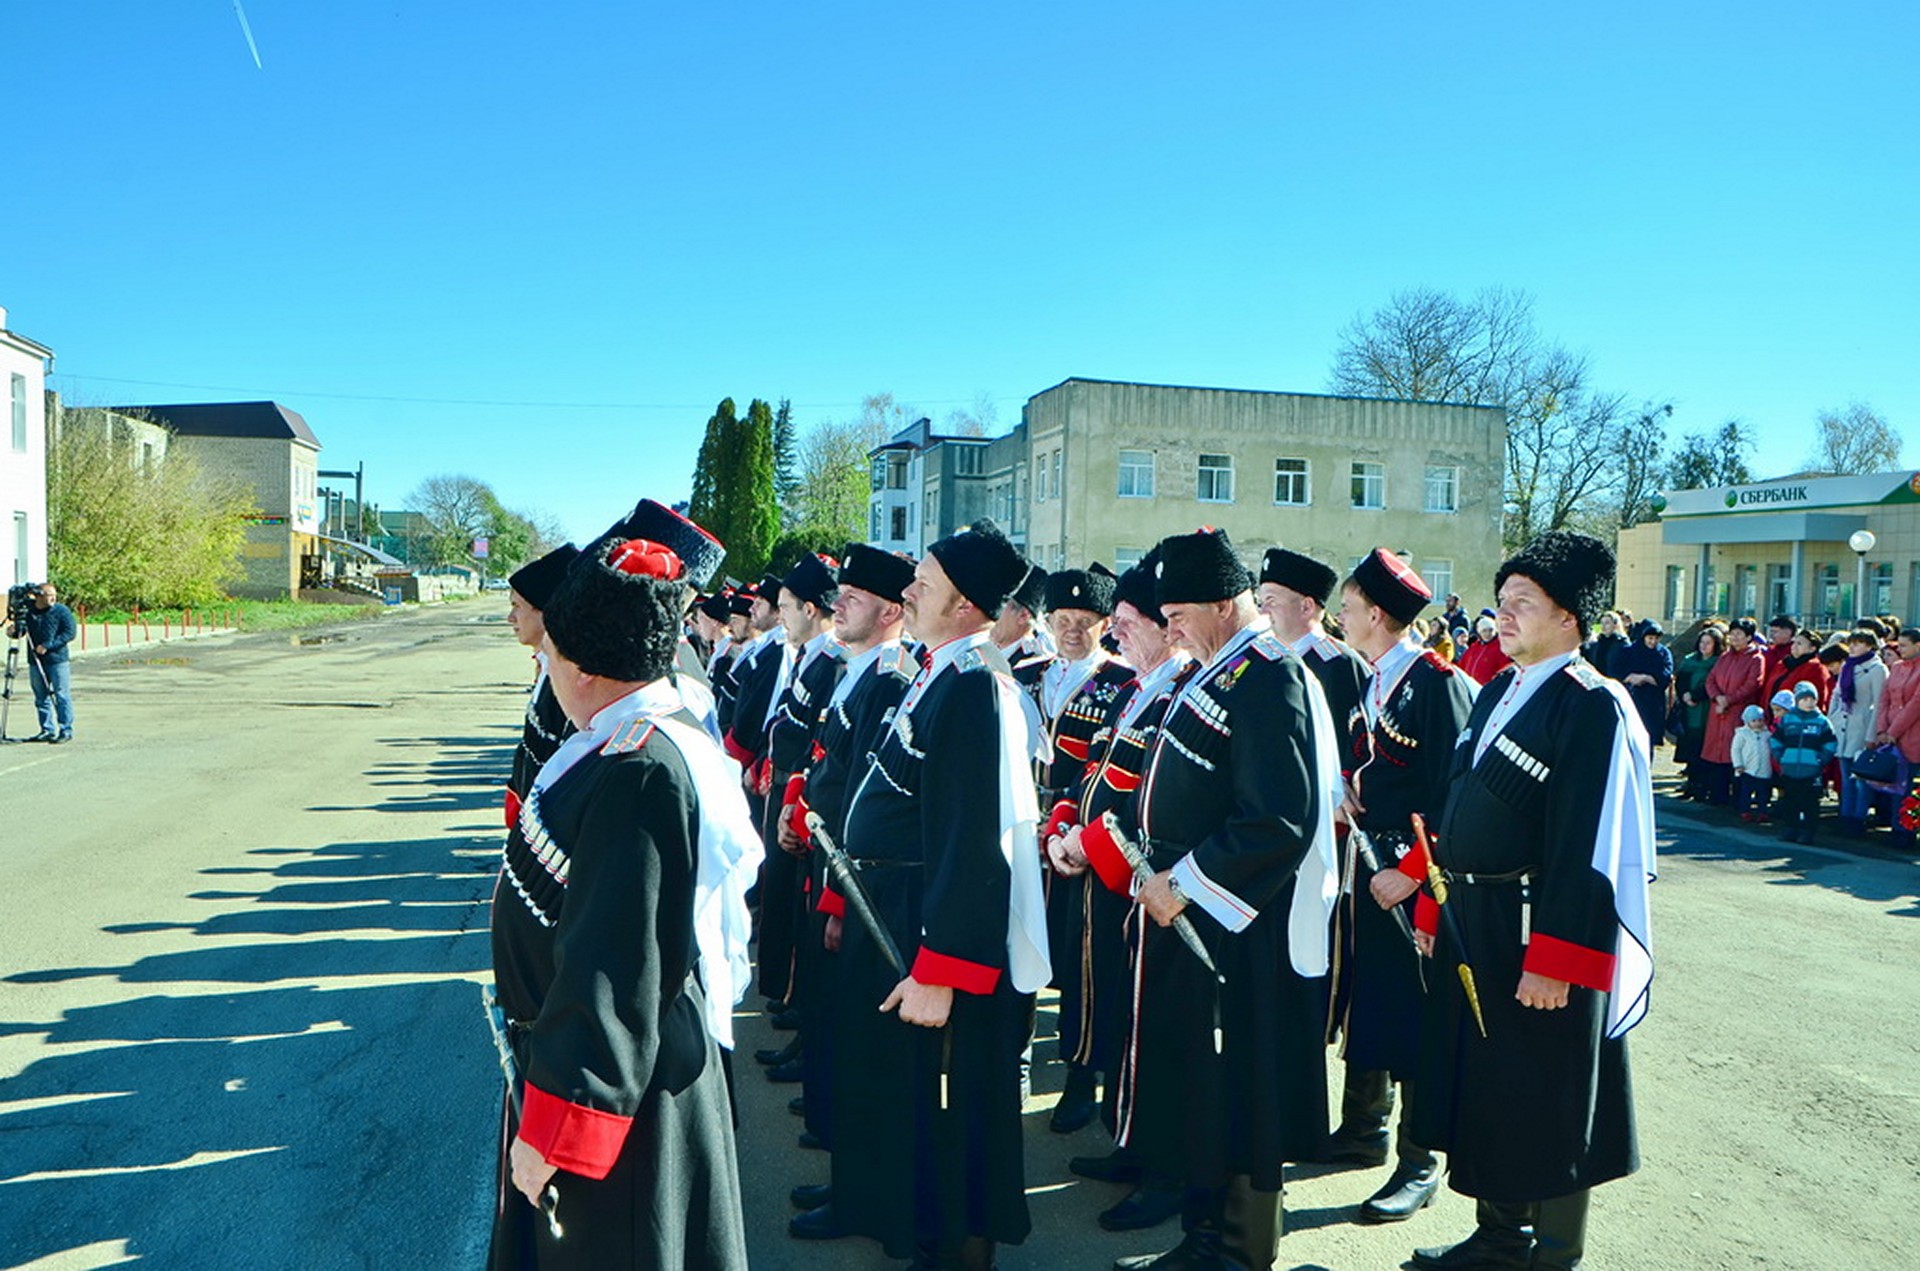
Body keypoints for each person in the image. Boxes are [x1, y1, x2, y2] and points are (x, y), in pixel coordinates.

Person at [1078, 527, 1342, 1271]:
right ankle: (1200, 1230)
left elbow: (1277, 819)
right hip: (1184, 909)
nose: (1169, 629)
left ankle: (1234, 1245)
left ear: (1226, 603)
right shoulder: (1215, 667)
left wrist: (1184, 882)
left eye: (1180, 612)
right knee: (1196, 1080)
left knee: (1233, 1083)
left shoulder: (1267, 675)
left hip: (1231, 923)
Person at [488, 534, 755, 1270]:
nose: (544, 666)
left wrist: (556, 1127)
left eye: (552, 655)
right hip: (578, 1063)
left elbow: (613, 964)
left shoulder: (638, 766)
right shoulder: (617, 740)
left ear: (585, 665)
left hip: (617, 1101)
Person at [1409, 531, 1653, 1271]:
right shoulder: (1499, 690)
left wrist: (1559, 960)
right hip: (1475, 919)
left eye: (1523, 603)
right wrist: (1432, 904)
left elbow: (1590, 846)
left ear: (1570, 618)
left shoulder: (1591, 706)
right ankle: (1499, 1232)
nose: (1502, 615)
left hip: (1535, 931)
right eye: (1502, 600)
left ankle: (1551, 1251)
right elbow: (1452, 808)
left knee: (1546, 1095)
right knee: (1492, 1084)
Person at [830, 520, 1050, 1271]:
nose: (910, 588)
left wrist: (942, 968)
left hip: (937, 920)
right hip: (900, 902)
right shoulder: (942, 669)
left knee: (957, 1111)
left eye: (925, 580)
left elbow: (971, 838)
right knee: (917, 1104)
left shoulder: (974, 686)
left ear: (966, 605)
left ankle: (958, 1253)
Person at [1049, 550, 1197, 1235]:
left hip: (1151, 885)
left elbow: (1155, 799)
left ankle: (1165, 1170)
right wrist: (1064, 829)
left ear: (1168, 629)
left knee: (1160, 1035)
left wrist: (1088, 844)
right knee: (1123, 1020)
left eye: (1128, 623)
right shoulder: (1139, 685)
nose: (1115, 635)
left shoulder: (1179, 689)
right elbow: (1090, 775)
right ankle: (1133, 1144)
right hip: (1110, 874)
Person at [1328, 548, 1475, 1225]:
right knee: (1374, 998)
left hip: (1414, 878)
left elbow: (1457, 793)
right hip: (1371, 863)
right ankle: (1364, 1129)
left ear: (1378, 613)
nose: (1341, 617)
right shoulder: (1380, 676)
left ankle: (1418, 1164)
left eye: (1350, 607)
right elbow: (1383, 770)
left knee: (1414, 1018)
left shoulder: (1435, 681)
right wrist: (1352, 793)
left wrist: (1413, 871)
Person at [783, 543, 919, 1239]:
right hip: (830, 866)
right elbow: (830, 766)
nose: (840, 602)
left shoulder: (890, 679)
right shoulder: (854, 671)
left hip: (860, 885)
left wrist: (838, 901)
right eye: (842, 592)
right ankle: (850, 1182)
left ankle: (867, 1198)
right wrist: (798, 799)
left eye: (856, 596)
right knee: (839, 1037)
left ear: (892, 609)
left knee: (864, 1050)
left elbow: (874, 802)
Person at [1021, 562, 1134, 1134]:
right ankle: (1015, 1058)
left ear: (1105, 623)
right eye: (1061, 618)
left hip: (1073, 843)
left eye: (1083, 620)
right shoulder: (1025, 672)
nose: (1070, 630)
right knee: (1017, 948)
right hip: (1021, 834)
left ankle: (1079, 1077)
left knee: (1079, 965)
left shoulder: (1121, 683)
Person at [757, 553, 845, 1030]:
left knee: (803, 915)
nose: (780, 615)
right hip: (786, 797)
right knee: (787, 906)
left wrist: (795, 804)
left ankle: (801, 1008)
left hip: (805, 806)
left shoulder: (832, 663)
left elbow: (819, 750)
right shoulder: (809, 659)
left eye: (787, 606)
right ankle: (793, 1002)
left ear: (811, 609)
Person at [1255, 548, 1369, 773]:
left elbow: (1343, 747)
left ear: (1306, 607)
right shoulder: (1266, 659)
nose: (1263, 612)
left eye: (1271, 601)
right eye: (1260, 603)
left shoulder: (1338, 665)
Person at [504, 546, 582, 819]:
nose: (510, 618)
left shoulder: (569, 680)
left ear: (545, 612)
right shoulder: (547, 667)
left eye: (517, 607)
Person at [1698, 617, 1766, 805]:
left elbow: (1752, 684)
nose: (1734, 638)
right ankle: (1716, 795)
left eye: (1739, 634)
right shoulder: (1725, 656)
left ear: (1749, 637)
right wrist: (1717, 697)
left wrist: (1728, 700)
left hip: (1738, 711)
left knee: (1735, 752)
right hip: (1717, 711)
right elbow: (1711, 679)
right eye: (1732, 633)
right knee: (1715, 753)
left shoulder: (1756, 658)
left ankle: (1737, 798)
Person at [1830, 629, 1889, 836]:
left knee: (1862, 778)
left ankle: (1858, 817)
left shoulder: (1877, 669)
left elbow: (1879, 703)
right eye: (1851, 643)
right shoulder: (1848, 665)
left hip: (1863, 726)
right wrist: (1833, 716)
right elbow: (1836, 694)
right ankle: (1845, 816)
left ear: (1870, 646)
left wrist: (1872, 734)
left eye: (1858, 643)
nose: (1852, 647)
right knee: (1846, 777)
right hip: (1844, 724)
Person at [1870, 627, 1920, 850]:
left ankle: (1907, 833)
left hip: (1913, 736)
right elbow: (1884, 700)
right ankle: (1896, 829)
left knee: (1910, 787)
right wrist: (1882, 730)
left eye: (1903, 646)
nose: (1899, 649)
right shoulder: (1897, 668)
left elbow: (1915, 705)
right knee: (1895, 787)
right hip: (1891, 737)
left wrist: (1893, 731)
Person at [1772, 683, 1837, 844]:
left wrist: (1821, 759)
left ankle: (1808, 831)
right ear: (1797, 700)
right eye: (1805, 699)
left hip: (1812, 770)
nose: (1809, 702)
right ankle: (1790, 828)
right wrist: (1780, 756)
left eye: (1812, 699)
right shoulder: (1787, 720)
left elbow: (1830, 742)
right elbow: (1776, 739)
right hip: (1790, 768)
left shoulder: (1821, 721)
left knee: (1810, 804)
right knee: (1790, 801)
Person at [12, 582, 77, 743]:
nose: (53, 598)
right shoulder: (29, 611)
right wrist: (14, 632)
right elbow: (22, 631)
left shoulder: (61, 611)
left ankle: (65, 729)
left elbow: (70, 633)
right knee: (41, 696)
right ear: (39, 596)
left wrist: (48, 646)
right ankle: (46, 729)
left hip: (57, 660)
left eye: (54, 595)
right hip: (35, 661)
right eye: (49, 595)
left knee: (61, 695)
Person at [1673, 627, 1724, 799]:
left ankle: (1703, 786)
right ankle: (1691, 784)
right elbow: (1681, 682)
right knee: (1691, 747)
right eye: (1702, 642)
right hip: (1689, 710)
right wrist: (1685, 696)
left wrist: (1696, 695)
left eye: (1708, 643)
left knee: (1703, 747)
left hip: (1706, 709)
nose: (1704, 646)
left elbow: (1713, 684)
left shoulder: (1718, 663)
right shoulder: (1690, 661)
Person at [1612, 620, 1674, 748]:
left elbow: (1665, 675)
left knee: (1649, 737)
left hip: (1653, 701)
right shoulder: (1629, 651)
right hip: (1632, 697)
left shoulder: (1663, 653)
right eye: (1650, 638)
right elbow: (1615, 671)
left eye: (1656, 638)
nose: (1653, 642)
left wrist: (1645, 678)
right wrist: (1630, 677)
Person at [1766, 627, 1830, 711]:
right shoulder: (1783, 663)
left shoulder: (1816, 668)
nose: (1794, 646)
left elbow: (1818, 698)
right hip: (1773, 715)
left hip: (1797, 719)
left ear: (1812, 648)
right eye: (1794, 643)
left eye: (1799, 644)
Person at [1730, 705, 1774, 822]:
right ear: (1747, 721)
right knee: (1746, 793)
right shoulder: (1742, 734)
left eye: (1760, 720)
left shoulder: (1767, 734)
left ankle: (1762, 811)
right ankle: (1745, 810)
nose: (1757, 723)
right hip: (1747, 769)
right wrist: (1738, 764)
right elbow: (1736, 750)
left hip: (1764, 770)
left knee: (1763, 794)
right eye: (1754, 721)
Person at [1458, 614, 1511, 686]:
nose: (1487, 634)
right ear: (1479, 632)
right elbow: (1461, 667)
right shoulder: (1474, 647)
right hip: (1470, 687)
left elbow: (1505, 669)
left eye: (1490, 630)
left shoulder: (1501, 647)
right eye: (1484, 631)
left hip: (1489, 689)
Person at [1579, 611, 1627, 680]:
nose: (1603, 626)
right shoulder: (1595, 644)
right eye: (1602, 623)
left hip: (1614, 682)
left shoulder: (1622, 643)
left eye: (1607, 623)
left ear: (1615, 625)